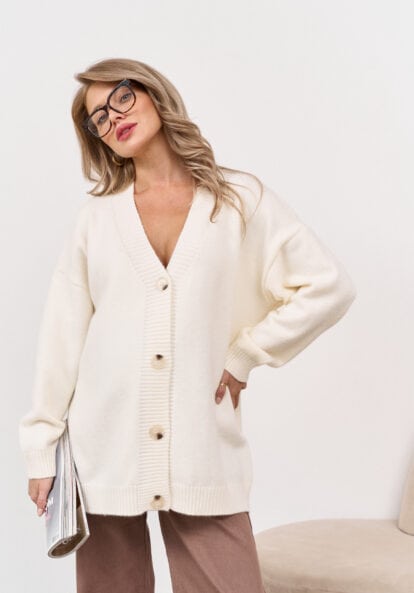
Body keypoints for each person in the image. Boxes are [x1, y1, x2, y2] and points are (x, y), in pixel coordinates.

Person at [19, 57, 357, 593]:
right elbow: (61, 340)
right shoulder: (96, 220)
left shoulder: (239, 199)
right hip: (102, 448)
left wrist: (246, 354)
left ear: (154, 93)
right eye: (98, 117)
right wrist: (41, 447)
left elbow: (328, 285)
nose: (113, 117)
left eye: (122, 96)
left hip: (204, 446)